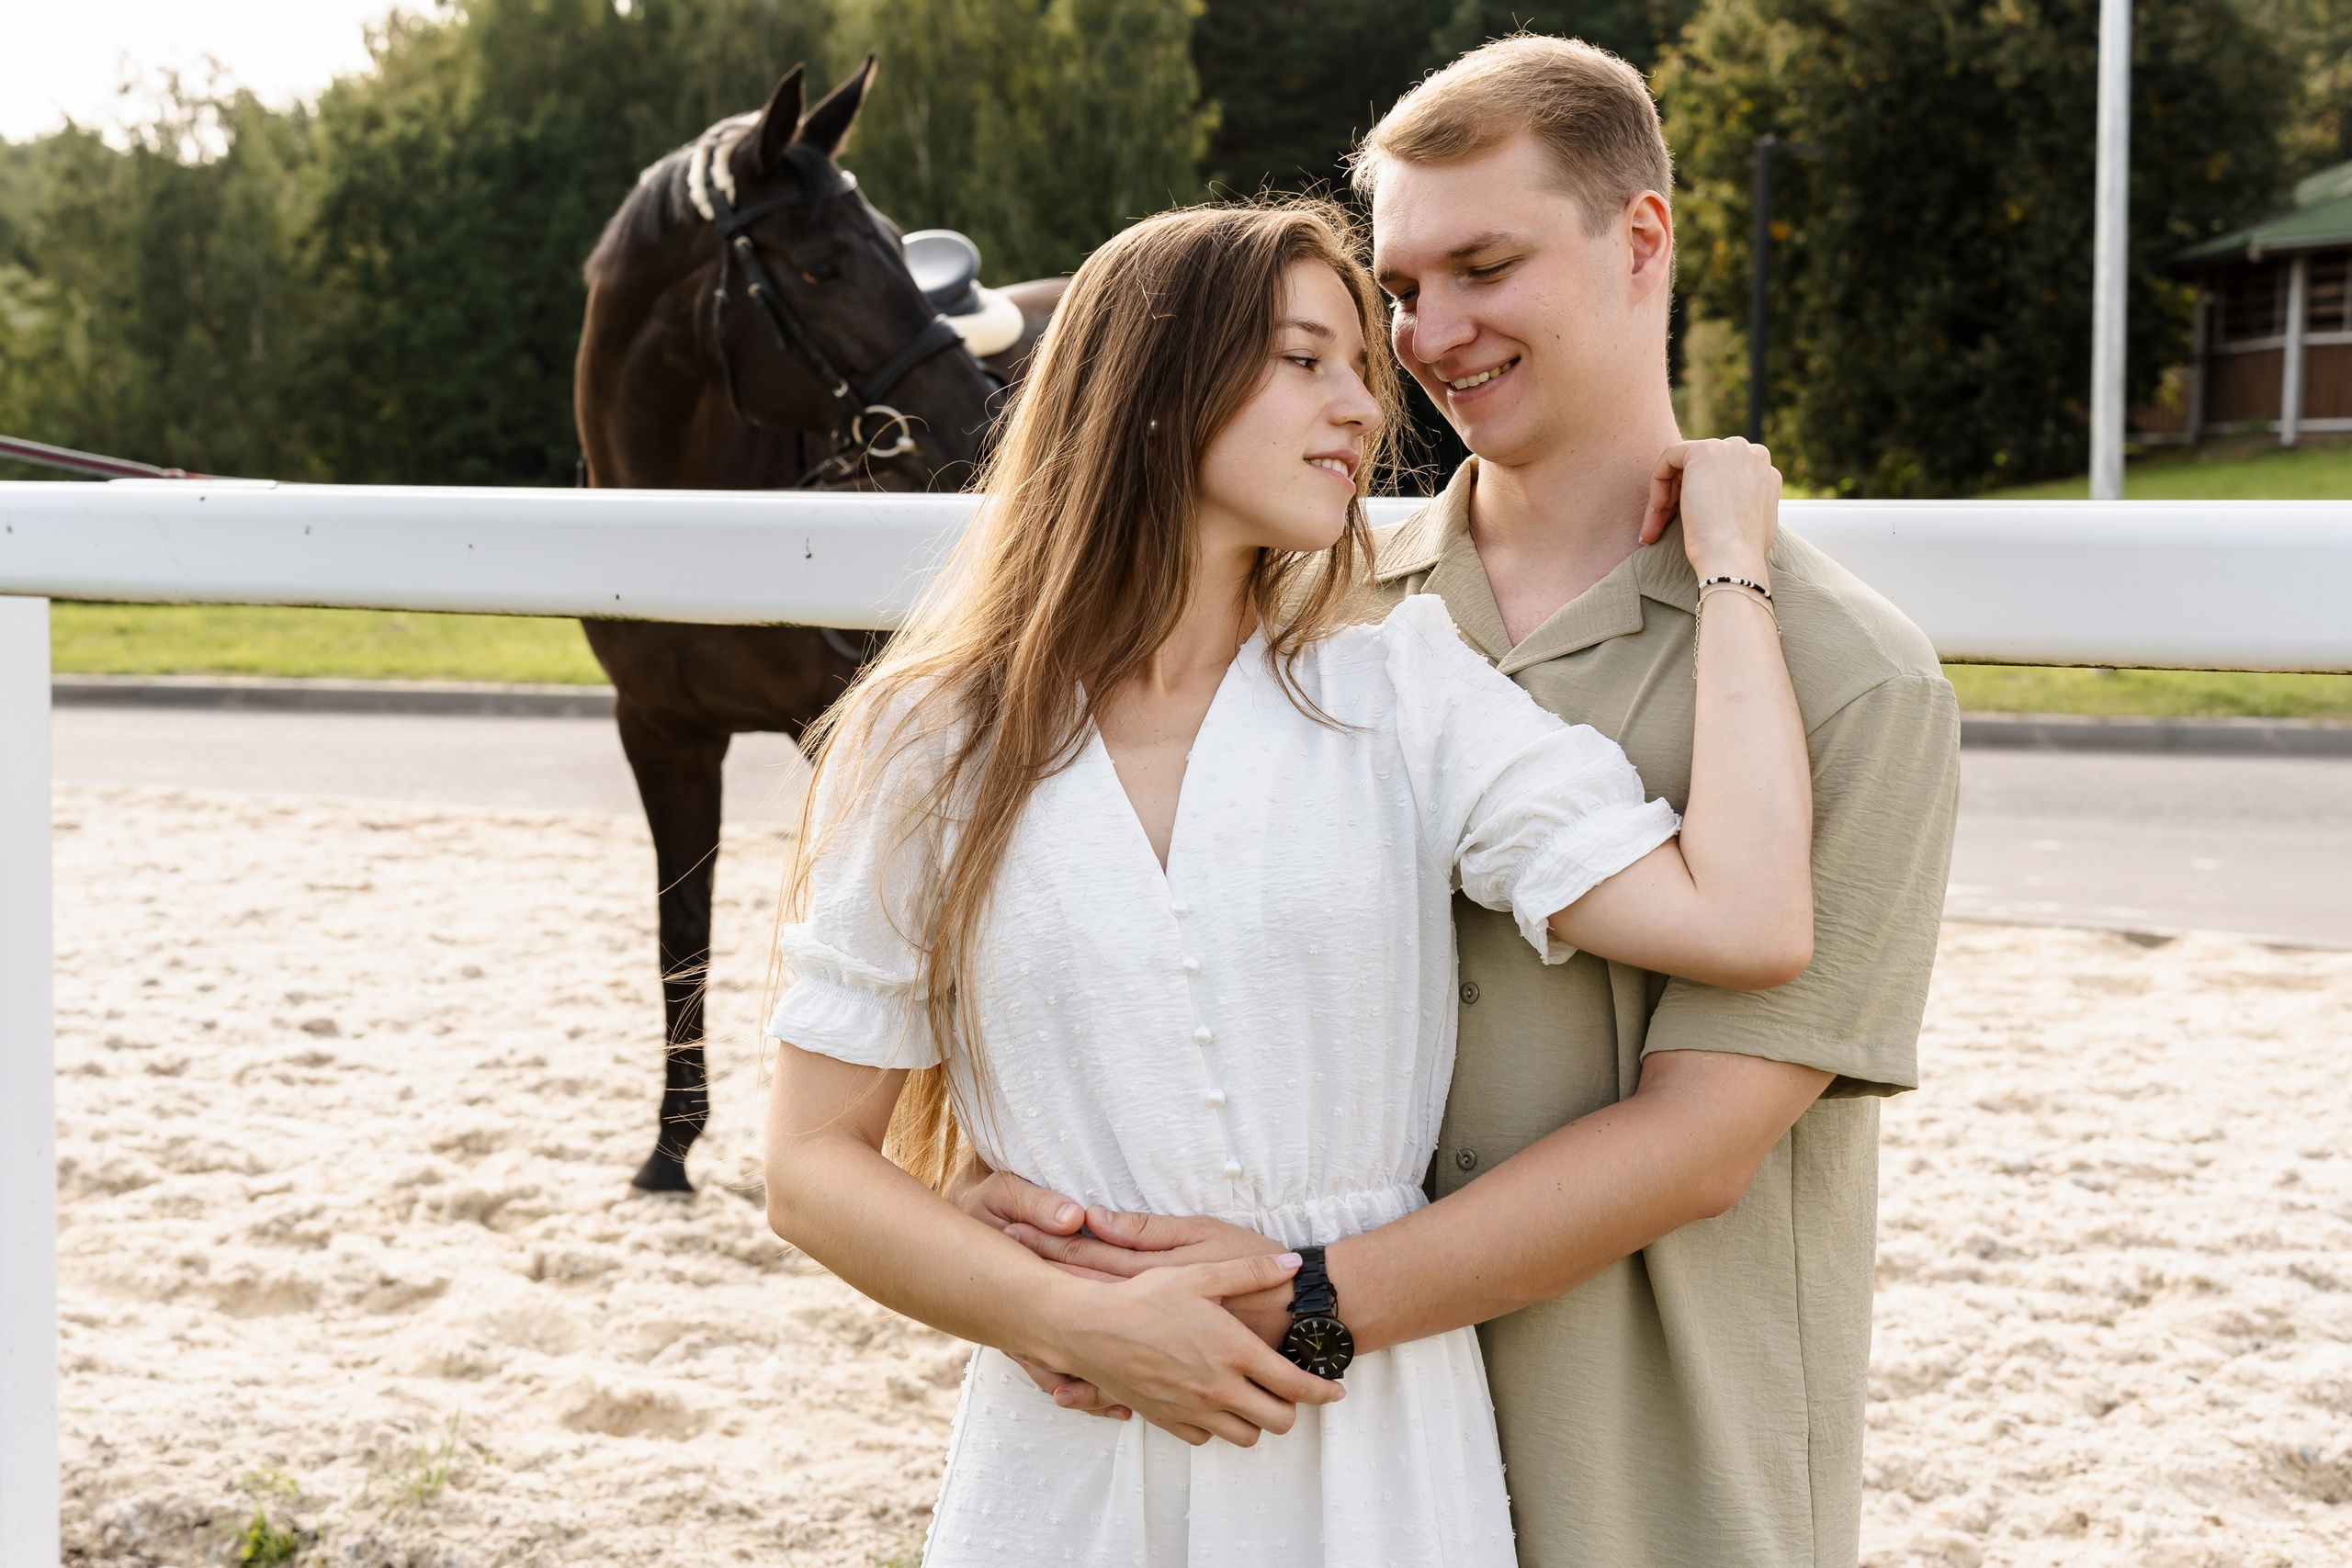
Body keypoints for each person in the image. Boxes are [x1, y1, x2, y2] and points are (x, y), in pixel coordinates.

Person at [969, 36, 1963, 1568]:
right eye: (1402, 290)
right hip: (1302, 1467)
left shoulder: (1850, 679)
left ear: (1641, 239)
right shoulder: (1301, 616)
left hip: (1645, 1470)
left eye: (1485, 268)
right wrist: (1046, 1244)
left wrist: (1287, 1308)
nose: (1430, 335)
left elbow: (1703, 1141)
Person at [761, 197, 1813, 1565]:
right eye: (1306, 360)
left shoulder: (1403, 694)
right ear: (1157, 385)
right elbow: (811, 1166)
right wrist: (1067, 1317)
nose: (1364, 407)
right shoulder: (930, 741)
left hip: (1368, 1441)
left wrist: (1732, 567)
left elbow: (1746, 920)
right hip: (1075, 1449)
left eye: (1361, 371)